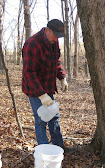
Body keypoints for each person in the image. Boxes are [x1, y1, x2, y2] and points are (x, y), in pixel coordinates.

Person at [22, 19, 71, 152]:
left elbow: (57, 60)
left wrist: (62, 77)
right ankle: (44, 152)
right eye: (55, 35)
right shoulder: (32, 44)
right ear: (47, 30)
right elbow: (29, 73)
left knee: (54, 118)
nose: (56, 39)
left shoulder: (53, 41)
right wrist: (42, 95)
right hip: (35, 89)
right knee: (41, 120)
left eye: (58, 37)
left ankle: (59, 147)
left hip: (48, 86)